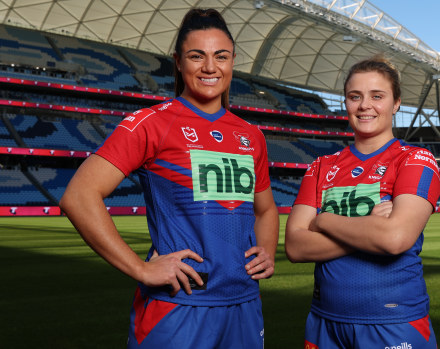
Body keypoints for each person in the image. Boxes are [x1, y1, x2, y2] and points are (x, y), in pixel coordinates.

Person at [60, 8, 279, 348]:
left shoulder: (252, 135)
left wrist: (264, 251)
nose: (210, 67)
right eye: (197, 56)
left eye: (220, 56)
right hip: (178, 307)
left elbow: (266, 210)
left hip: (244, 306)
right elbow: (79, 195)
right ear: (178, 61)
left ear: (233, 60)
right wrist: (140, 269)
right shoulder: (150, 123)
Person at [285, 55, 440, 348]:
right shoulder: (320, 166)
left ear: (396, 104)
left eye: (377, 96)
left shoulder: (415, 160)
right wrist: (369, 227)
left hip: (393, 325)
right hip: (324, 323)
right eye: (355, 96)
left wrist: (323, 221)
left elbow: (394, 239)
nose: (364, 105)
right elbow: (295, 246)